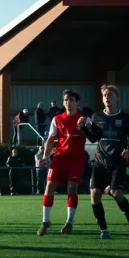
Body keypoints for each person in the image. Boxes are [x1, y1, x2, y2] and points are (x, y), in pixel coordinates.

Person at [79, 84, 129, 239]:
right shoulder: (96, 117)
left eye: (110, 95)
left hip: (117, 162)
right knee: (94, 194)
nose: (107, 98)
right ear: (102, 98)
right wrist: (83, 128)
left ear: (117, 98)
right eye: (105, 95)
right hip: (100, 162)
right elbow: (93, 138)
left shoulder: (126, 119)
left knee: (116, 193)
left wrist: (128, 150)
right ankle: (104, 230)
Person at [37, 90, 87, 236]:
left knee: (72, 189)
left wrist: (86, 127)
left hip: (76, 159)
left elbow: (92, 134)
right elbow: (51, 139)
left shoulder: (84, 119)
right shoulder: (57, 119)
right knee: (49, 187)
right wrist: (45, 157)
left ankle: (69, 223)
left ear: (77, 102)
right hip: (59, 157)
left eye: (71, 100)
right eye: (66, 100)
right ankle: (45, 222)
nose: (68, 102)